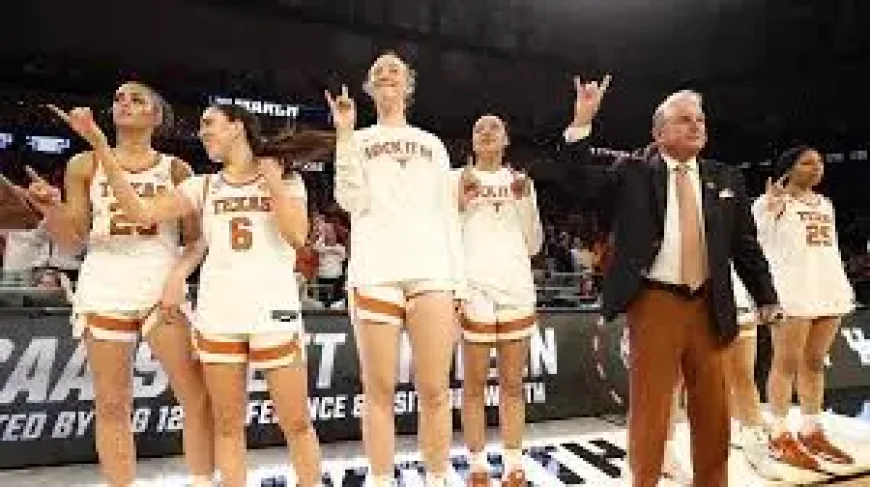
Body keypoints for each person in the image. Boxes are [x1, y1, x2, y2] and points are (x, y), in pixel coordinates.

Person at [49, 102, 324, 487]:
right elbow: (141, 212)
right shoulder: (202, 185)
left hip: (272, 307)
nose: (202, 132)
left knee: (295, 420)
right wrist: (99, 144)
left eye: (209, 123)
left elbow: (297, 237)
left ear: (238, 127)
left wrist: (274, 179)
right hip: (219, 313)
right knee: (227, 426)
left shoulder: (289, 180)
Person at [558, 77, 780, 487]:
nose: (696, 126)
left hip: (712, 302)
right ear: (658, 133)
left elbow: (745, 246)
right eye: (683, 120)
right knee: (652, 409)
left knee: (714, 411)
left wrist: (766, 295)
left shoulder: (726, 177)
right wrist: (582, 121)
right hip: (656, 300)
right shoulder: (634, 169)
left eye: (700, 119)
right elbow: (578, 178)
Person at [18, 82, 215, 487]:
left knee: (194, 396)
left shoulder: (176, 168)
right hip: (104, 278)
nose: (124, 102)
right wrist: (50, 208)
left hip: (158, 279)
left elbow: (195, 241)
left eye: (136, 98)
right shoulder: (82, 165)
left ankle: (201, 480)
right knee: (111, 403)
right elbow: (72, 241)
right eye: (119, 98)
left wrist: (178, 276)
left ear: (156, 116)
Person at [325, 51, 465, 487]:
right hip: (375, 271)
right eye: (378, 72)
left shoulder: (433, 143)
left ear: (408, 86)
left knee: (436, 391)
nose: (387, 75)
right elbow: (350, 200)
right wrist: (345, 134)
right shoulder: (359, 139)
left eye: (396, 71)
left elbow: (448, 214)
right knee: (379, 391)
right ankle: (382, 479)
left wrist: (458, 282)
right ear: (370, 87)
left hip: (433, 273)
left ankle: (438, 477)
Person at [455, 115, 543, 486]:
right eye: (479, 128)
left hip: (515, 289)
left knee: (511, 382)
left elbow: (534, 245)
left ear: (506, 138)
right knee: (473, 384)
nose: (487, 132)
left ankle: (512, 461)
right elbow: (447, 237)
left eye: (494, 128)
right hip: (474, 289)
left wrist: (523, 202)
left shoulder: (521, 182)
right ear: (473, 141)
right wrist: (461, 203)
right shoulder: (457, 179)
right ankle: (476, 462)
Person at [756, 146, 856, 470]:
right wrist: (769, 208)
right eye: (807, 162)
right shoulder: (770, 203)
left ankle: (811, 429)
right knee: (784, 364)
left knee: (814, 364)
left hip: (827, 289)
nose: (817, 167)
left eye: (820, 162)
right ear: (788, 168)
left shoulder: (825, 203)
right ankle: (778, 434)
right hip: (791, 292)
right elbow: (754, 244)